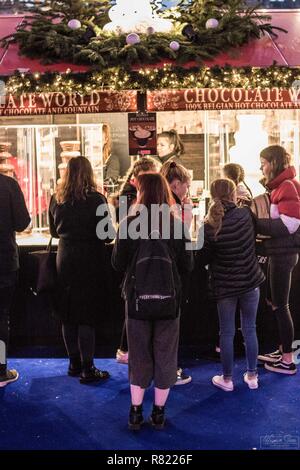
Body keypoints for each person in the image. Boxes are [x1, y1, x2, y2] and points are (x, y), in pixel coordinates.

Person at [112, 173, 193, 430]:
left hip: (137, 299)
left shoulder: (129, 223)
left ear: (141, 193)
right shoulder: (176, 224)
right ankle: (159, 413)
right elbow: (187, 265)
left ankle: (135, 412)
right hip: (170, 300)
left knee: (139, 354)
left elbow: (117, 263)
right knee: (166, 354)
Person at [49, 157, 114, 384]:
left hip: (65, 258)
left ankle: (73, 363)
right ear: (89, 173)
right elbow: (108, 235)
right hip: (90, 259)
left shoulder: (57, 199)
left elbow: (54, 232)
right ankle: (88, 367)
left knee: (68, 314)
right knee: (87, 314)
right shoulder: (97, 200)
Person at [198, 178, 265, 392]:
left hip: (225, 285)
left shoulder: (208, 226)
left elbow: (202, 258)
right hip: (250, 280)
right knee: (250, 328)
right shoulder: (246, 215)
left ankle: (227, 379)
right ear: (234, 193)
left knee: (226, 332)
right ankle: (252, 375)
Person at [255, 145, 300, 374]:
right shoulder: (282, 186)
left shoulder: (287, 186)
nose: (261, 168)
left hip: (284, 254)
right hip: (278, 252)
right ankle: (283, 350)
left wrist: (256, 224)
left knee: (281, 306)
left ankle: (287, 360)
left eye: (263, 163)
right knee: (275, 302)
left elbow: (290, 224)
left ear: (272, 163)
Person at [115, 157, 161, 365]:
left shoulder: (129, 196)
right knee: (134, 308)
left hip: (135, 264)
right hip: (137, 264)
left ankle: (128, 350)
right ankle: (127, 349)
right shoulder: (129, 198)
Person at [160, 160, 194, 385]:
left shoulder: (153, 205)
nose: (187, 190)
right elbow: (184, 237)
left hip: (151, 274)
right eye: (186, 185)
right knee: (169, 324)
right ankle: (170, 370)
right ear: (176, 184)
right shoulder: (176, 208)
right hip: (171, 273)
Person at [0, 173, 30, 387]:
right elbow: (22, 223)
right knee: (1, 317)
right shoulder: (8, 185)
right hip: (4, 262)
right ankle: (0, 370)